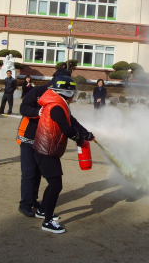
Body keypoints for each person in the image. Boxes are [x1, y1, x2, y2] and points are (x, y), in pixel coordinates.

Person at [32, 75, 94, 234]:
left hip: (47, 149)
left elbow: (71, 121)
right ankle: (47, 222)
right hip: (47, 150)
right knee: (56, 185)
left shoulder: (58, 103)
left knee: (53, 184)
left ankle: (43, 211)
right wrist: (79, 137)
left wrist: (85, 132)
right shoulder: (57, 107)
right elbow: (66, 128)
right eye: (72, 92)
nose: (73, 95)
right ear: (66, 92)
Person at [17, 69, 72, 219]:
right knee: (29, 173)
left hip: (45, 141)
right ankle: (25, 205)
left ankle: (33, 199)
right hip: (29, 138)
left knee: (39, 172)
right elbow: (23, 108)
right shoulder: (38, 91)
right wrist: (38, 112)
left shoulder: (61, 95)